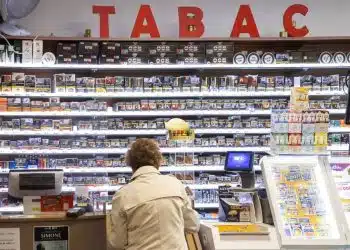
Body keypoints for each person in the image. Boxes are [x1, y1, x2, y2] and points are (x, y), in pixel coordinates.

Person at [107, 138, 200, 250]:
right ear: (158, 161)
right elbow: (193, 225)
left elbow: (117, 243)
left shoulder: (122, 195)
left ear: (131, 164)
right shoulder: (175, 184)